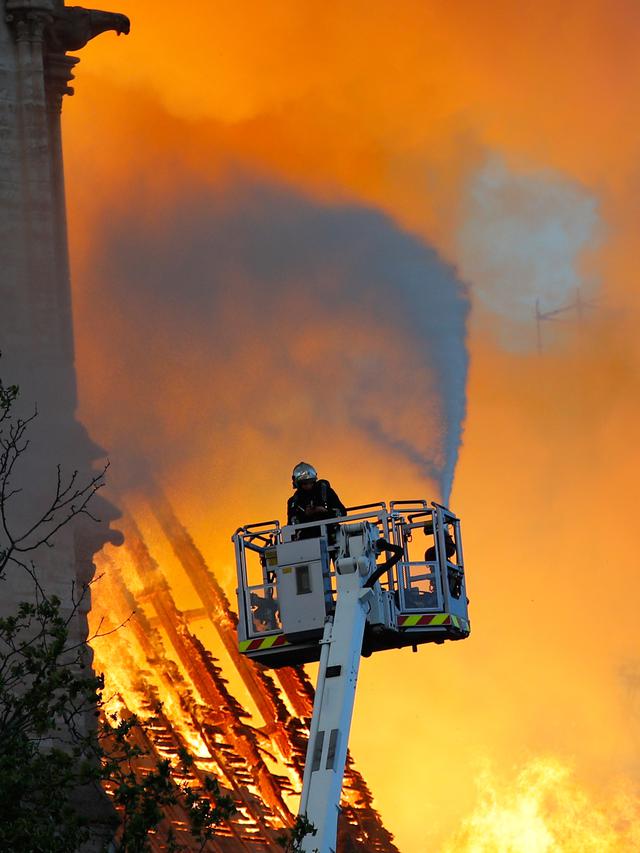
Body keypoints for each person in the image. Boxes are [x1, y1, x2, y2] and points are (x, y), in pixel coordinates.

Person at [287, 462, 346, 539]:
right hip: (306, 540)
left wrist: (324, 511)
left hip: (332, 537)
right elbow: (291, 525)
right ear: (297, 483)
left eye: (311, 482)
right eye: (304, 483)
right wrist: (305, 515)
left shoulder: (326, 492)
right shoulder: (293, 502)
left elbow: (342, 512)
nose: (308, 486)